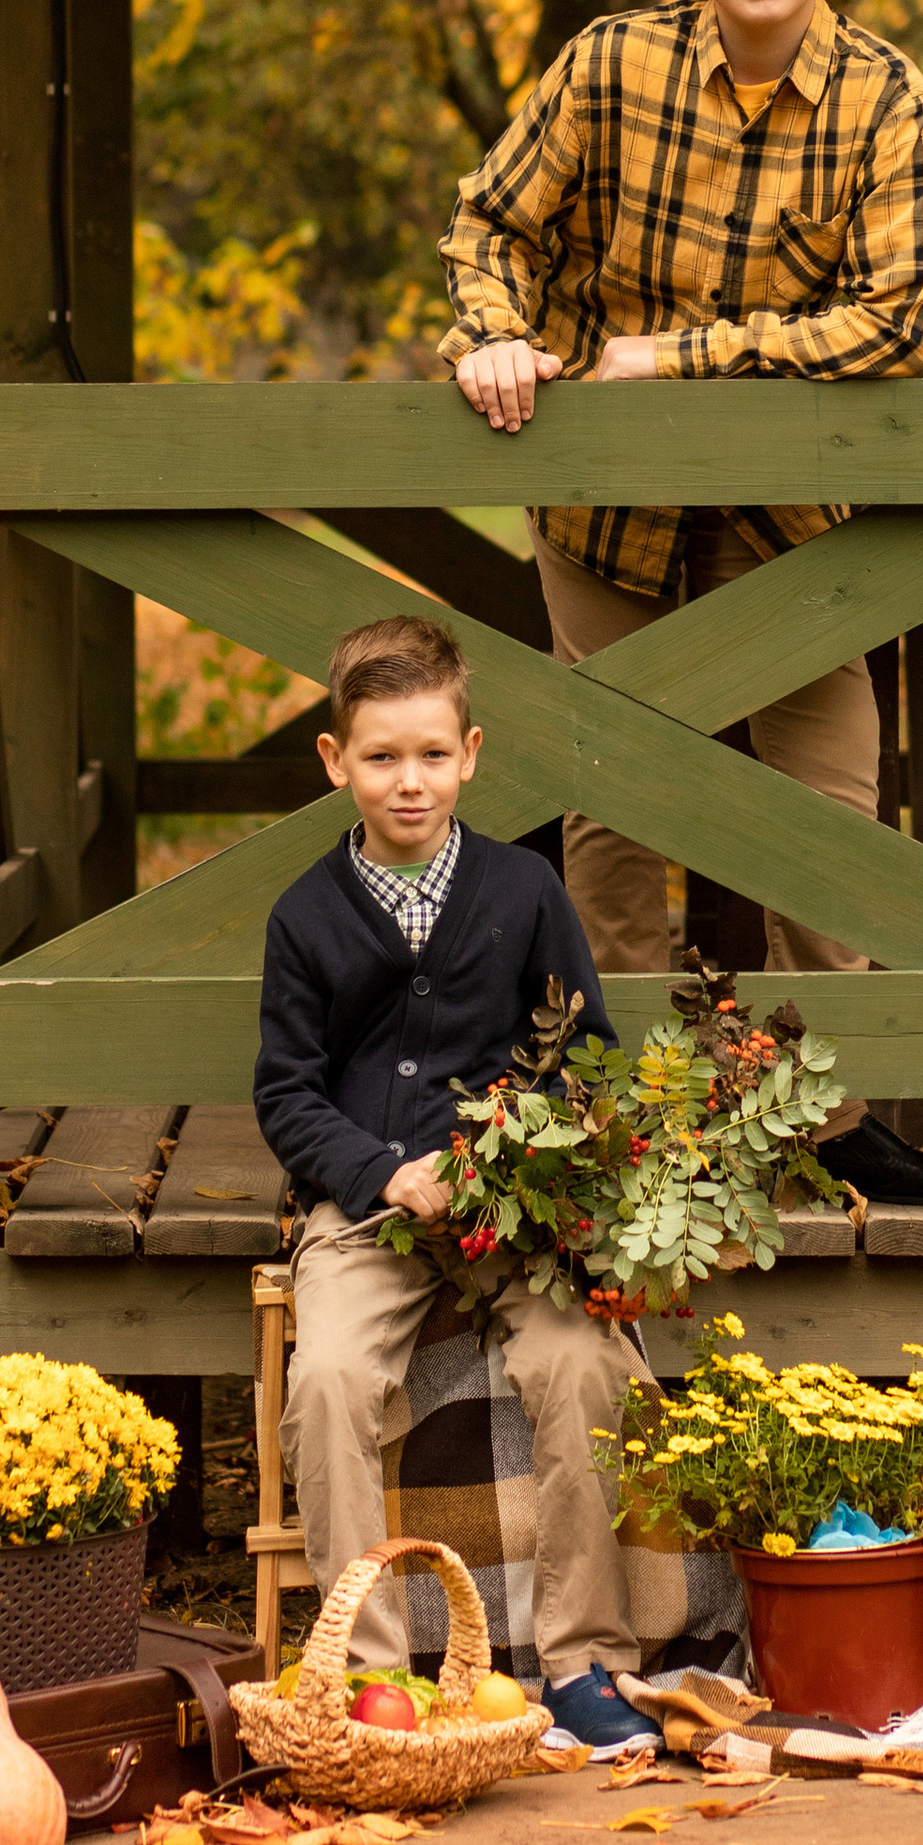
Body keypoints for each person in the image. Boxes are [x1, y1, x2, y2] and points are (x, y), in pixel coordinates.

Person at [440, 0, 923, 1216]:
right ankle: (615, 1113)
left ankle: (833, 1112)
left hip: (790, 530)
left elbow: (906, 321)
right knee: (610, 813)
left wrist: (681, 357)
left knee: (826, 812)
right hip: (606, 515)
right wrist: (493, 333)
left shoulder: (886, 98)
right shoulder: (610, 68)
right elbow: (489, 220)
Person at [251, 609, 662, 1756]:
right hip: (371, 1205)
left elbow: (586, 1054)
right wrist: (381, 1172)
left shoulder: (523, 890)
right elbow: (286, 1094)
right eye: (381, 757)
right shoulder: (306, 917)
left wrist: (517, 1156)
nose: (410, 781)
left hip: (511, 1204)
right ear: (336, 763)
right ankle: (366, 1674)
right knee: (329, 1376)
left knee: (580, 1361)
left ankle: (584, 1658)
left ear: (471, 753)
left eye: (433, 755)